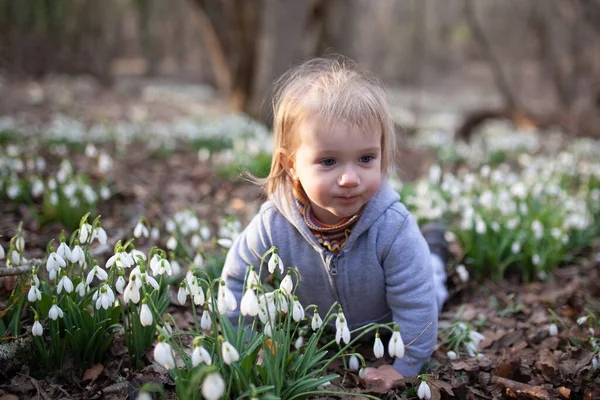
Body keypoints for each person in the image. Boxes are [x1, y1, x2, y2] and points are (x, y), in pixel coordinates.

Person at [221, 57, 448, 378]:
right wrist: (246, 348)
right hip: (321, 328)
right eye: (329, 162)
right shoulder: (274, 222)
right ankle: (434, 247)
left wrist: (406, 367)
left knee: (431, 283)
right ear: (291, 165)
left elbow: (416, 304)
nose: (350, 178)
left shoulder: (393, 227)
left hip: (385, 322)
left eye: (366, 158)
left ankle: (435, 250)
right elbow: (235, 282)